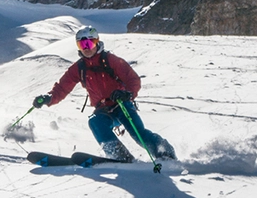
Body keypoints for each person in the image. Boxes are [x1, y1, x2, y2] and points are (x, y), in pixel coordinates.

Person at [32, 26, 176, 162]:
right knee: (95, 121)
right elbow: (63, 87)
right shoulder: (79, 67)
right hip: (103, 109)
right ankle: (119, 155)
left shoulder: (111, 60)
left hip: (121, 104)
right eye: (82, 45)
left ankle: (164, 152)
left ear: (97, 42)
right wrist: (49, 98)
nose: (86, 48)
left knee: (138, 134)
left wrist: (127, 94)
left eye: (89, 43)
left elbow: (133, 79)